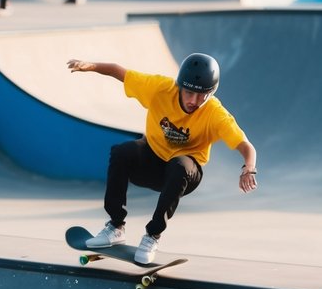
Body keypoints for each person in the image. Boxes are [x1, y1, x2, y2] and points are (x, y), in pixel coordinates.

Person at [66, 53, 258, 264]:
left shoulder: (215, 113)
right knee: (122, 151)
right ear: (179, 86)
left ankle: (152, 236)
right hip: (151, 163)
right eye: (188, 93)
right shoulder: (159, 88)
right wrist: (90, 66)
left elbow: (246, 146)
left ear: (211, 93)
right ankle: (115, 227)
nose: (193, 101)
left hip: (183, 175)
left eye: (201, 95)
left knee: (180, 165)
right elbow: (117, 70)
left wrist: (248, 168)